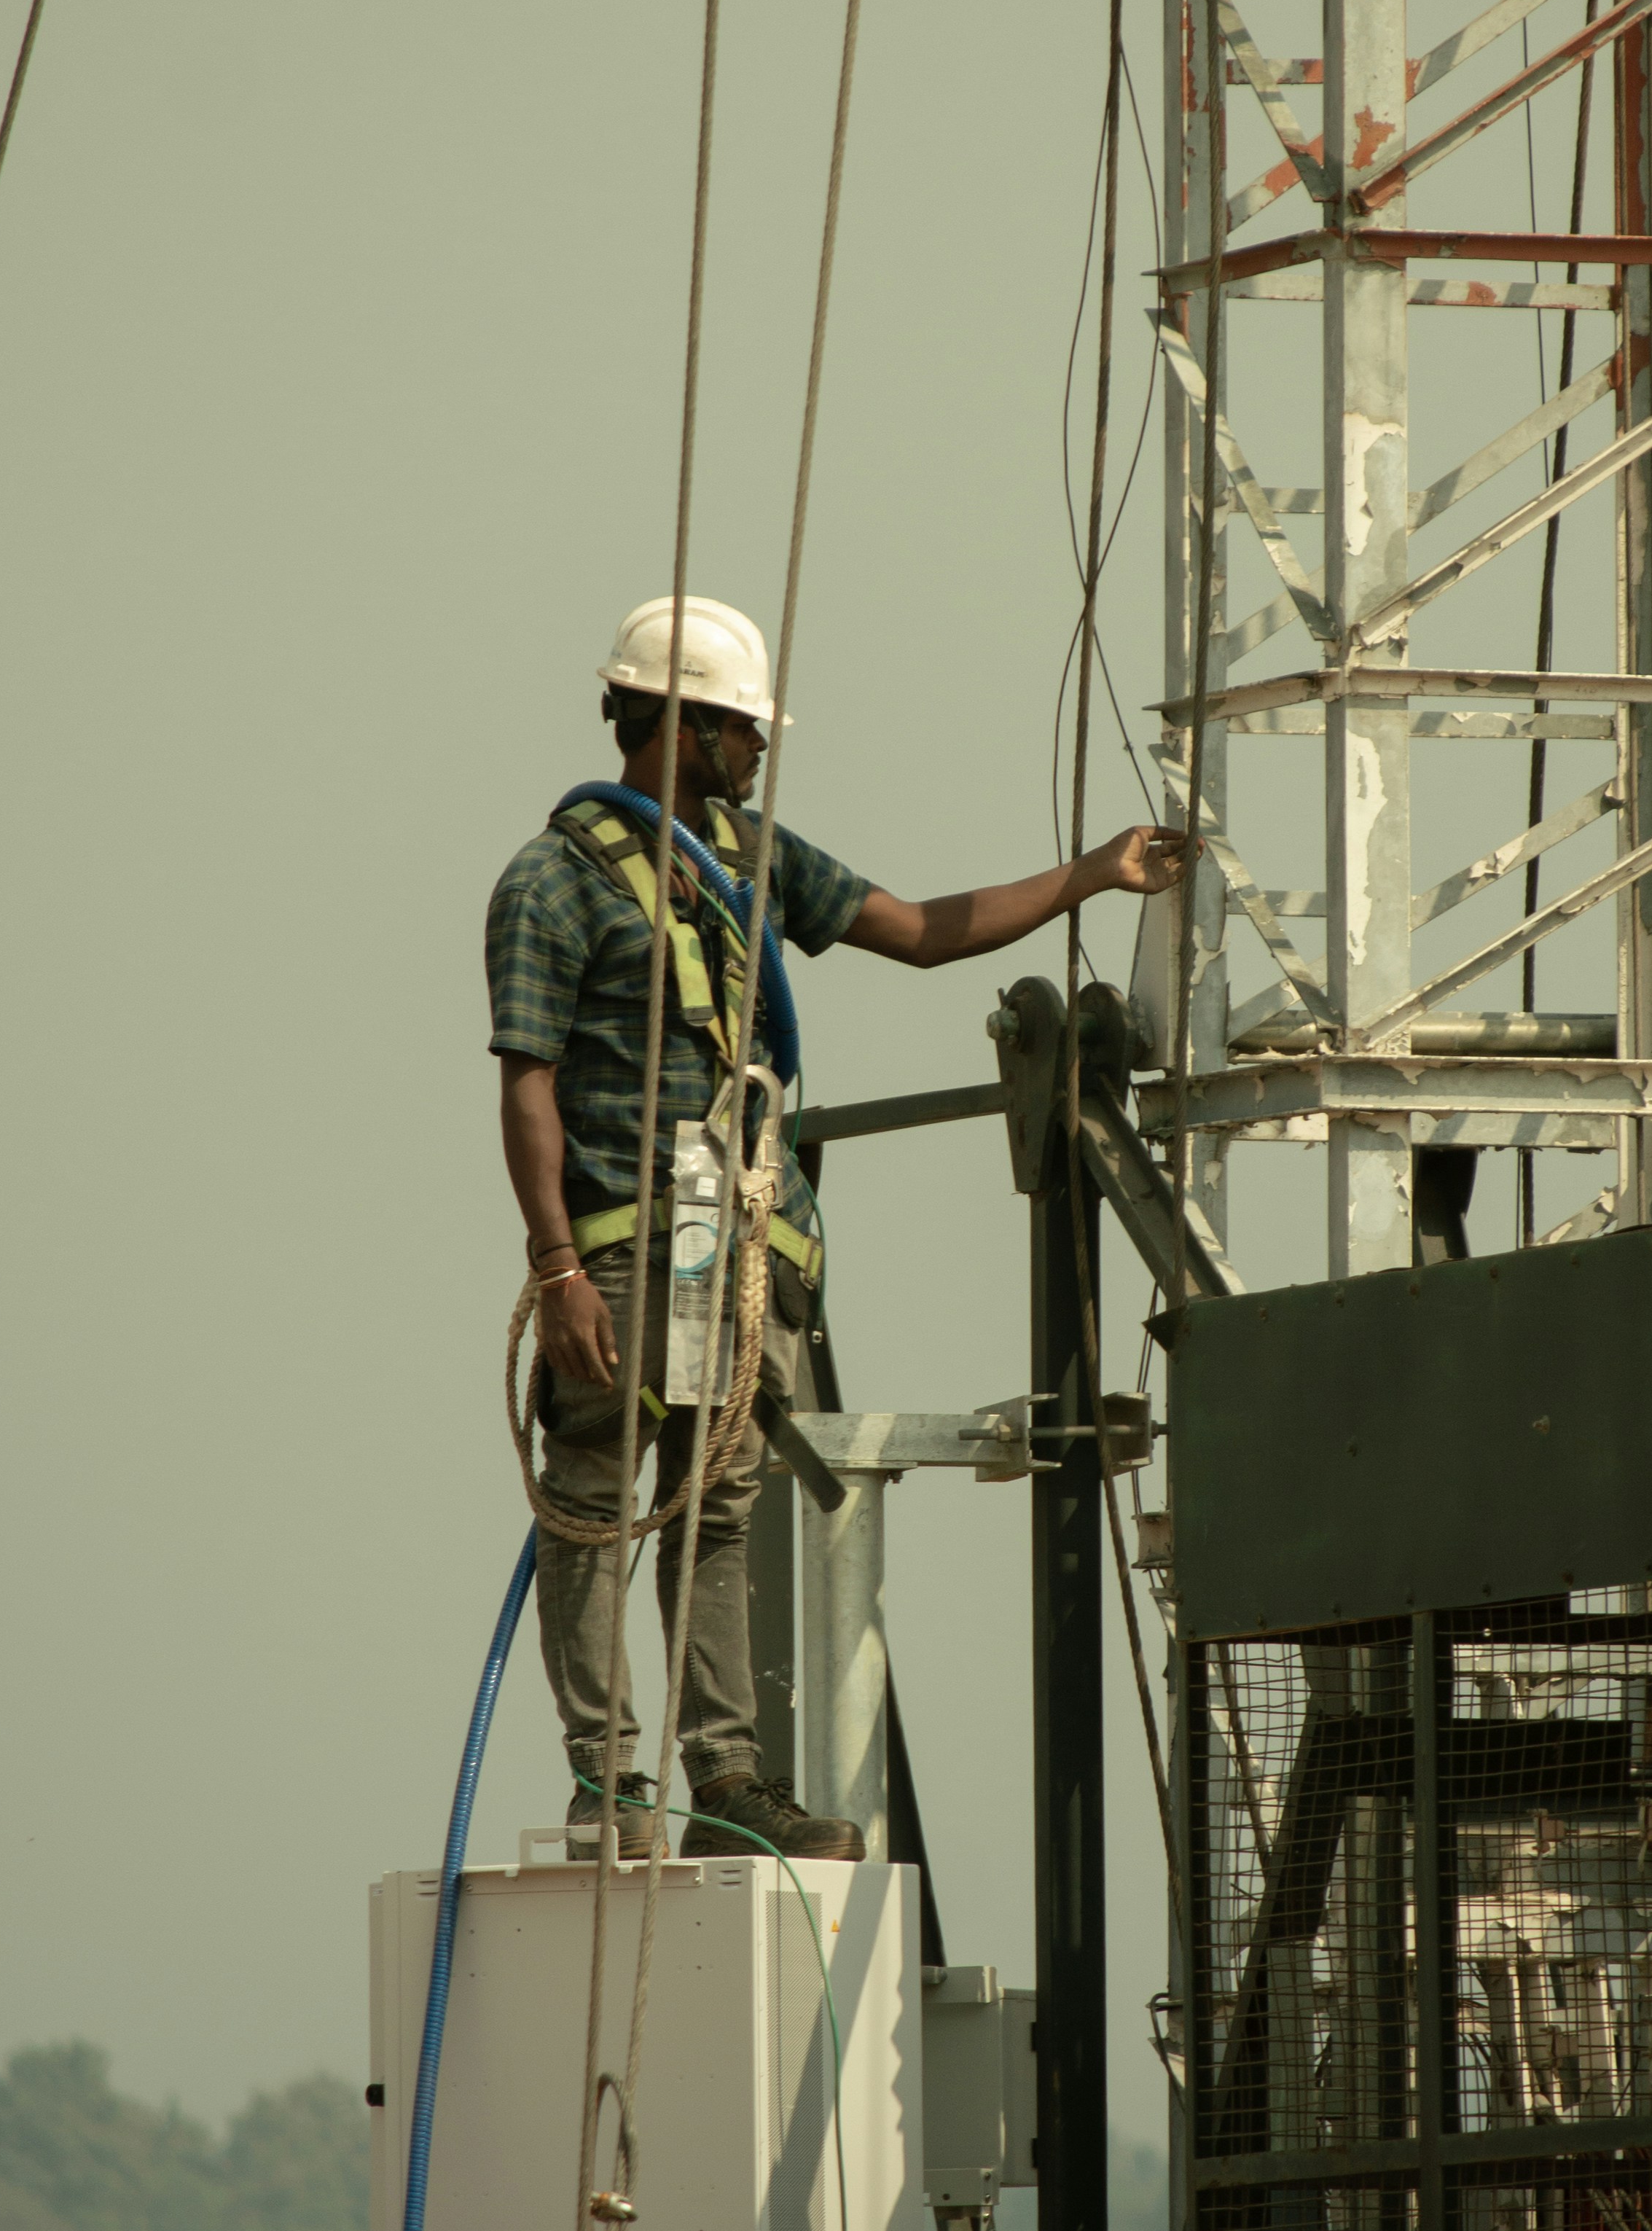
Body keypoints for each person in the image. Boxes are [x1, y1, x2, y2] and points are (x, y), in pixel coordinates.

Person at [489, 593, 1187, 1862]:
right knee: (595, 1499)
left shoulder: (747, 859)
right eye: (745, 731)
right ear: (685, 724)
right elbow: (526, 1078)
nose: (759, 752)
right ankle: (609, 1784)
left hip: (742, 1251)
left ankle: (725, 1778)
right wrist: (556, 1269)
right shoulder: (551, 883)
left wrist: (1089, 873)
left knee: (715, 1507)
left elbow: (917, 933)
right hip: (624, 1246)